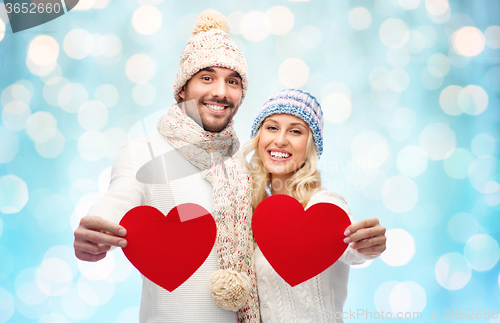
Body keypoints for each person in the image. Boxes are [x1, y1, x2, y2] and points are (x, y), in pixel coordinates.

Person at [73, 9, 259, 323]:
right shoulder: (143, 153)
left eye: (233, 81)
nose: (221, 92)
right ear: (183, 89)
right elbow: (119, 198)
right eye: (207, 77)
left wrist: (360, 251)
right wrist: (95, 229)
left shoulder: (244, 168)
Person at [242, 89, 387, 323]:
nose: (280, 140)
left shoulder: (324, 203)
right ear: (259, 138)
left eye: (295, 131)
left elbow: (351, 252)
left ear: (310, 146)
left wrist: (369, 246)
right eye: (271, 127)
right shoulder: (253, 214)